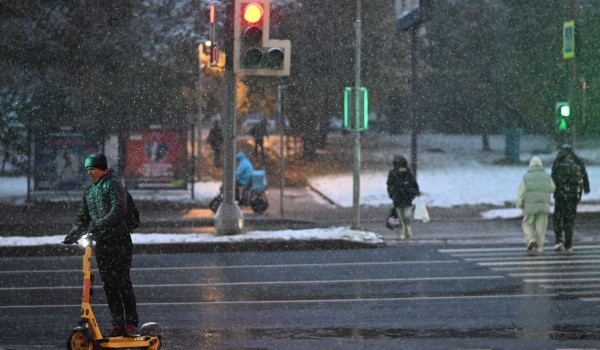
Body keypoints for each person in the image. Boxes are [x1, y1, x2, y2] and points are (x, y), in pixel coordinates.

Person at [63, 153, 140, 337]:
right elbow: (83, 217)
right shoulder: (89, 192)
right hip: (103, 243)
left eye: (92, 169)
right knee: (109, 284)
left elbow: (119, 209)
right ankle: (117, 324)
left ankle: (131, 324)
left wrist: (98, 224)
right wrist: (73, 234)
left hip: (119, 241)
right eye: (87, 170)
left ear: (101, 169)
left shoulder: (113, 184)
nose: (89, 173)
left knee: (122, 282)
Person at [551, 144, 590, 254]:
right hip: (572, 197)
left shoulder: (557, 161)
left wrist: (554, 190)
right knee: (569, 220)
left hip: (559, 196)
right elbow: (584, 175)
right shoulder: (577, 161)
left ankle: (558, 240)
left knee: (558, 218)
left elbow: (553, 178)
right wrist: (586, 188)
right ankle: (569, 244)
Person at [516, 156, 555, 255]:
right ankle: (540, 248)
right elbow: (553, 188)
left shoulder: (526, 177)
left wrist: (520, 203)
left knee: (527, 223)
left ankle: (530, 239)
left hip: (530, 206)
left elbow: (521, 192)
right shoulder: (546, 176)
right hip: (543, 207)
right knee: (541, 228)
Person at [386, 155, 420, 240]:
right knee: (400, 217)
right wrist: (392, 194)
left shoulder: (408, 174)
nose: (402, 169)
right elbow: (389, 185)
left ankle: (407, 229)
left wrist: (413, 193)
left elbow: (414, 185)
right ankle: (401, 233)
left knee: (406, 216)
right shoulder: (392, 174)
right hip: (397, 199)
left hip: (407, 199)